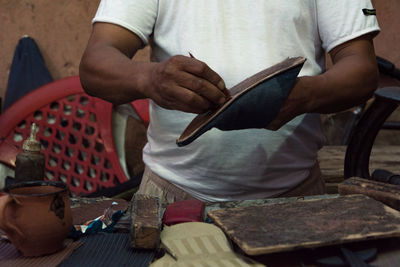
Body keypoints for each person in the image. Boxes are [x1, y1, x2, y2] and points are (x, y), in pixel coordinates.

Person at [79, 0, 380, 203]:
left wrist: (307, 95)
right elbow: (95, 64)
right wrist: (150, 78)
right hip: (172, 196)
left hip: (294, 197)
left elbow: (363, 70)